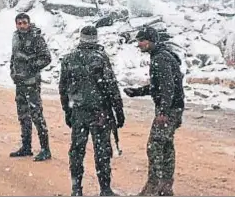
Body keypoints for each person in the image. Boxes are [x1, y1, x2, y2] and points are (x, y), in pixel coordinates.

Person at [59, 26, 125, 196]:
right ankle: (105, 189)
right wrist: (119, 110)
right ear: (95, 39)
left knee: (77, 151)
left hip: (78, 112)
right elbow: (111, 86)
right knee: (102, 150)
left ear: (81, 38)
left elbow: (63, 89)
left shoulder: (69, 59)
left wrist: (67, 111)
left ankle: (76, 189)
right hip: (99, 113)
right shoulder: (100, 58)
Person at [123, 26, 184, 196]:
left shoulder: (161, 59)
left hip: (169, 109)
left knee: (155, 146)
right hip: (175, 107)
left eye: (141, 40)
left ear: (151, 40)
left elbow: (167, 87)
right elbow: (159, 86)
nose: (139, 44)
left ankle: (153, 188)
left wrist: (163, 112)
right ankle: (165, 188)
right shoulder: (162, 56)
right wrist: (138, 92)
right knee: (166, 146)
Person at [9, 12, 52, 162]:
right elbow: (14, 57)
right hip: (20, 83)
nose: (22, 25)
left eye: (24, 23)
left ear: (29, 23)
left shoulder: (36, 38)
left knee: (36, 115)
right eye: (19, 23)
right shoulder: (16, 37)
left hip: (32, 83)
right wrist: (12, 72)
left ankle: (45, 149)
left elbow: (46, 58)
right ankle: (26, 147)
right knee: (23, 115)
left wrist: (31, 67)